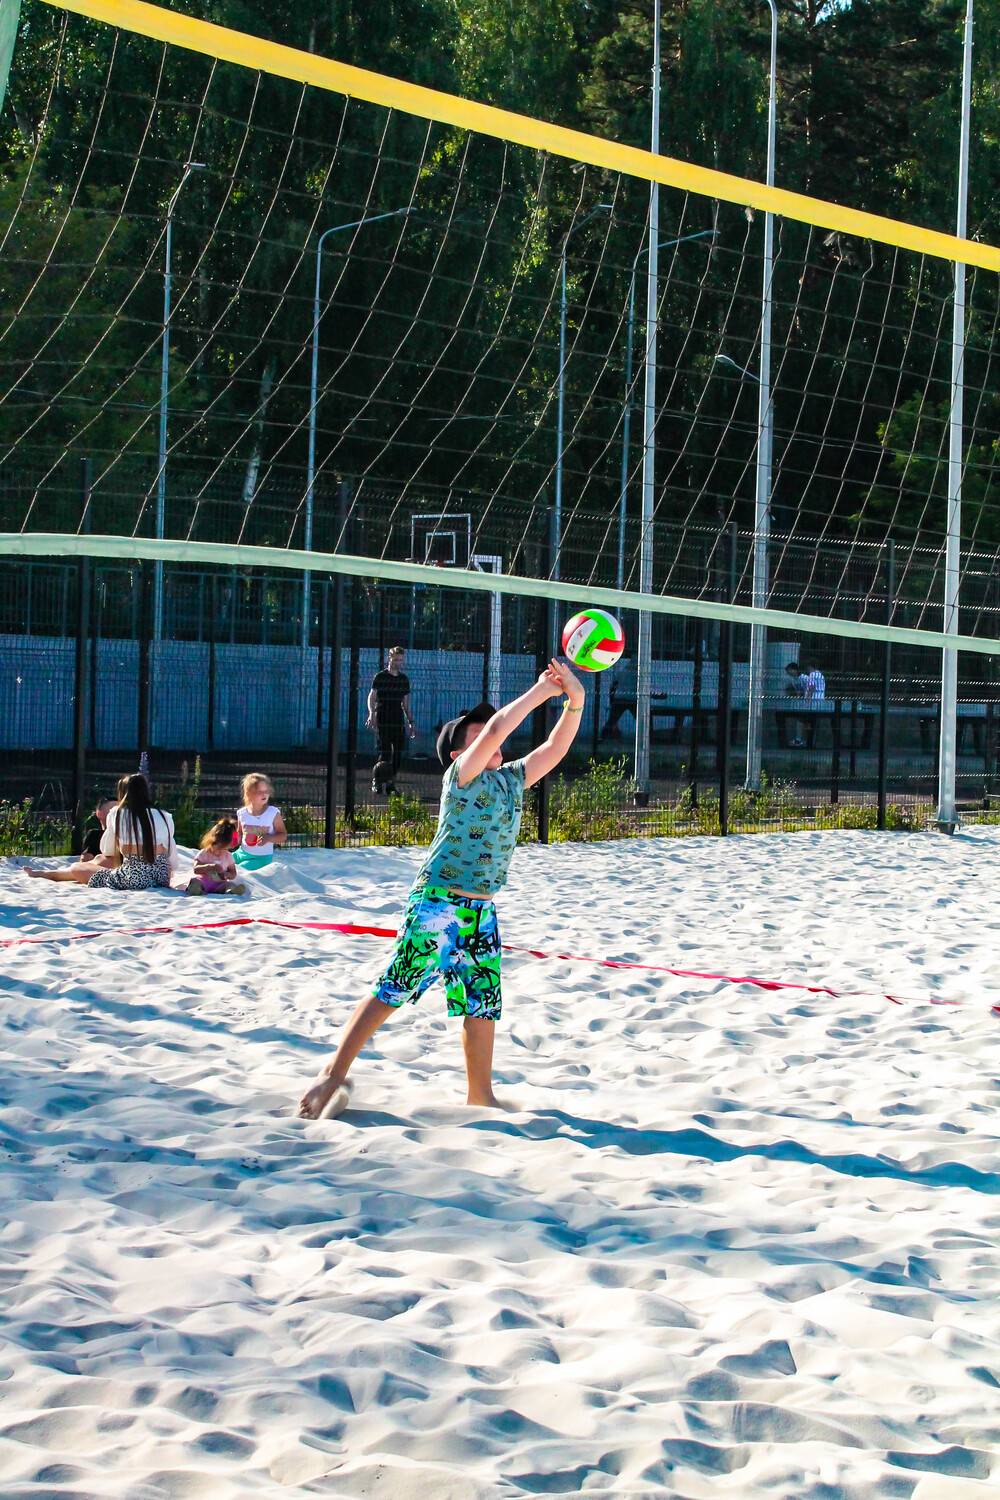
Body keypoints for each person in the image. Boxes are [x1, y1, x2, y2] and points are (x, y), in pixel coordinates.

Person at [298, 657, 586, 1121]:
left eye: (488, 733)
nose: (491, 737)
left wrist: (577, 700)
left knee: (482, 1003)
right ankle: (332, 1073)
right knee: (395, 986)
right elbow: (497, 728)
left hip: (482, 911)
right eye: (477, 734)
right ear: (456, 754)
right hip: (439, 902)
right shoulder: (461, 778)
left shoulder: (511, 780)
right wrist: (540, 692)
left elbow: (554, 748)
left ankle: (481, 1097)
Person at [27, 774, 175, 890]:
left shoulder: (118, 813)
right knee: (99, 860)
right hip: (161, 876)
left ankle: (48, 874)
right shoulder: (164, 815)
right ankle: (46, 874)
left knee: (77, 867)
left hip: (134, 877)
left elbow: (107, 849)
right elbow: (171, 854)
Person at [367, 646, 416, 795]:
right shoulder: (380, 677)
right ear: (389, 659)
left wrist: (411, 722)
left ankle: (390, 783)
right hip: (383, 717)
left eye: (400, 660)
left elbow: (405, 704)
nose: (398, 663)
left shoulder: (403, 679)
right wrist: (371, 714)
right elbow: (372, 697)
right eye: (395, 660)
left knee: (397, 754)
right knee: (385, 752)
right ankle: (377, 781)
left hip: (397, 719)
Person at [234, 773, 287, 870]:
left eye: (266, 791)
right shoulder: (242, 813)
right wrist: (231, 840)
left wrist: (268, 838)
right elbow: (239, 833)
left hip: (261, 858)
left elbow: (283, 836)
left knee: (239, 870)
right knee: (221, 862)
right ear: (249, 794)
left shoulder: (273, 813)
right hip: (241, 853)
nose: (264, 794)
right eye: (259, 792)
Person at [187, 817, 246, 896]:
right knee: (195, 881)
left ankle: (231, 891)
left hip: (220, 883)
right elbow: (196, 869)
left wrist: (226, 875)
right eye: (218, 848)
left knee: (229, 884)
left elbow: (233, 873)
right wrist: (209, 867)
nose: (219, 852)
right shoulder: (204, 853)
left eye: (223, 848)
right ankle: (196, 890)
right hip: (204, 881)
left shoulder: (228, 856)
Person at [79, 794, 117, 862]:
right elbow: (84, 860)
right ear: (99, 813)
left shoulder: (126, 837)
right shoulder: (95, 836)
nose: (116, 813)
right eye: (112, 810)